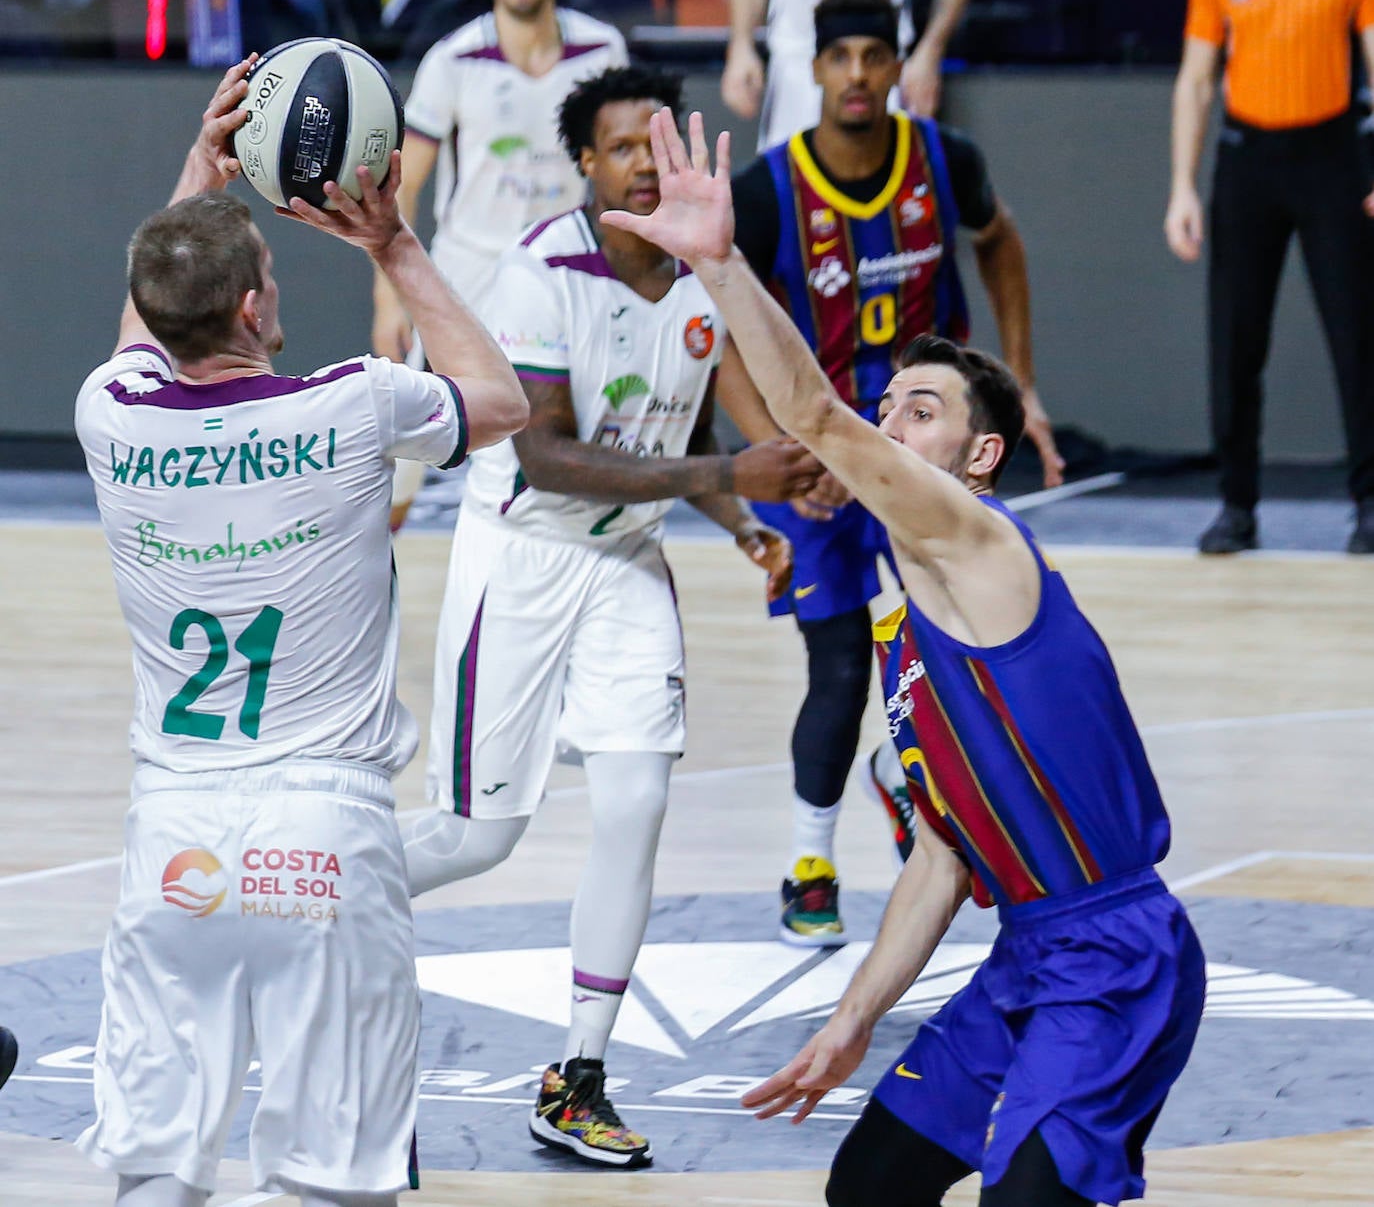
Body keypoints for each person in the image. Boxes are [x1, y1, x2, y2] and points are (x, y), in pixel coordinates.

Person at [604, 105, 1207, 1207]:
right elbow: (940, 862)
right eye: (889, 405)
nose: (888, 426)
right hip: (1029, 954)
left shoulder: (981, 544)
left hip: (1116, 959)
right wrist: (852, 1020)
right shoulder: (907, 630)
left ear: (982, 454)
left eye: (917, 412)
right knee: (867, 1187)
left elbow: (815, 415)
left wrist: (725, 267)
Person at [73, 59, 528, 1207]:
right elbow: (505, 402)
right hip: (322, 836)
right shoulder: (356, 402)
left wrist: (199, 171)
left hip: (170, 840)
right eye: (264, 274)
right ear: (253, 309)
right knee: (330, 1183)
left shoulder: (107, 416)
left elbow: (151, 308)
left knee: (156, 1173)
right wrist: (394, 247)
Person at [400, 65, 819, 1169]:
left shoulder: (699, 275)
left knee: (636, 797)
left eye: (657, 141)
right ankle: (314, 899)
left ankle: (576, 1075)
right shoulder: (539, 275)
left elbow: (705, 427)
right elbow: (542, 456)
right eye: (622, 146)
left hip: (628, 561)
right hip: (524, 559)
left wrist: (744, 523)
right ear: (585, 166)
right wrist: (731, 475)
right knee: (477, 838)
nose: (644, 160)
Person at [725, 0, 1062, 946]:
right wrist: (784, 454)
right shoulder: (767, 188)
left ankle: (928, 801)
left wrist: (1021, 383)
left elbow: (1000, 245)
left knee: (958, 646)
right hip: (824, 461)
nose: (861, 74)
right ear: (817, 69)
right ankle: (811, 860)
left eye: (877, 55)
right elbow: (721, 340)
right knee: (836, 666)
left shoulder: (944, 161)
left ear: (898, 62)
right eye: (843, 58)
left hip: (928, 460)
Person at [372, 0, 626, 527]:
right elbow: (404, 184)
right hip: (468, 268)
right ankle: (374, 556)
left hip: (562, 269)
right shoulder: (453, 58)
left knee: (568, 429)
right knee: (406, 441)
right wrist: (388, 301)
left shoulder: (603, 51)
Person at [1165, 0, 1374, 554]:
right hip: (1248, 160)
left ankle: (1370, 503)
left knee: (1358, 335)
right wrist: (1183, 187)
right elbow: (1197, 77)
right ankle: (1236, 506)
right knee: (1235, 339)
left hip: (1333, 158)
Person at [721, 0, 974, 149]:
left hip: (882, 55)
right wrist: (741, 44)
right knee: (790, 199)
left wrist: (931, 50)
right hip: (795, 59)